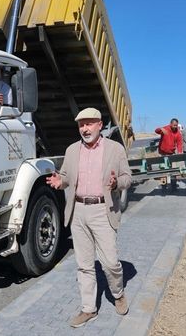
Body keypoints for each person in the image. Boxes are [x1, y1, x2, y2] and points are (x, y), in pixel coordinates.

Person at [46, 107, 131, 328]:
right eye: (81, 125)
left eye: (89, 123)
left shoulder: (115, 149)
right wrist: (59, 181)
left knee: (110, 263)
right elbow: (65, 176)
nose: (85, 128)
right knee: (84, 265)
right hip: (78, 211)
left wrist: (116, 184)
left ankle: (118, 293)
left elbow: (127, 178)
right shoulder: (72, 150)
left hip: (103, 211)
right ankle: (88, 309)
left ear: (100, 125)